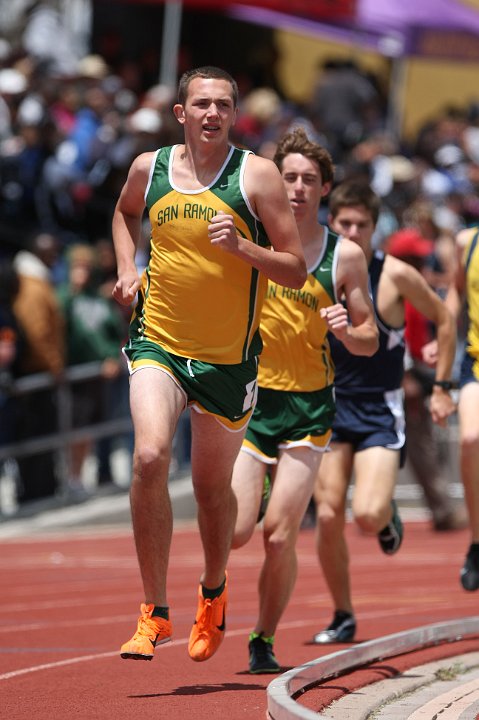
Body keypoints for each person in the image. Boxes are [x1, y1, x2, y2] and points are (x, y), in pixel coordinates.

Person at [112, 66, 307, 664]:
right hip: (160, 342)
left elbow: (295, 267)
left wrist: (243, 247)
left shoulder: (257, 176)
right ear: (181, 113)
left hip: (228, 361)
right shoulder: (151, 169)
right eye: (201, 104)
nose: (211, 114)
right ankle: (153, 612)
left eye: (223, 104)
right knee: (149, 456)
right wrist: (126, 269)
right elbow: (123, 216)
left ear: (234, 113)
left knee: (209, 489)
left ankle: (214, 589)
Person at [230, 128, 379, 674]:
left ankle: (262, 638)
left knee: (278, 535)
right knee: (239, 527)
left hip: (309, 409)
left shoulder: (345, 256)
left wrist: (346, 330)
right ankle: (212, 588)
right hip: (250, 401)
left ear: (325, 189)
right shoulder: (252, 239)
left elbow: (370, 337)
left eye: (307, 180)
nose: (296, 188)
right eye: (288, 177)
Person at [313, 181, 457, 645]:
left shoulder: (395, 275)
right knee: (329, 513)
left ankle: (386, 514)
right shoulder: (314, 267)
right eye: (343, 223)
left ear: (376, 228)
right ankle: (342, 613)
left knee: (366, 515)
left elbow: (446, 316)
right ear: (330, 223)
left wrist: (442, 382)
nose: (352, 232)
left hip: (379, 408)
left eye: (361, 224)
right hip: (330, 404)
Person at [447, 225, 479, 590]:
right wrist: (444, 333)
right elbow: (456, 291)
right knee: (470, 440)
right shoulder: (466, 243)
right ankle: (476, 542)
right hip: (475, 361)